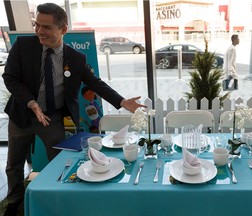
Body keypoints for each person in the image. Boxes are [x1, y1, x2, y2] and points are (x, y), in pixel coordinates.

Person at [2, 3, 146, 215]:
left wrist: (122, 101)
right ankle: (14, 199)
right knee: (14, 163)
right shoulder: (23, 46)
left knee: (60, 162)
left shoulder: (76, 59)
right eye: (37, 25)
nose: (40, 31)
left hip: (52, 119)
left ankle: (58, 195)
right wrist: (31, 103)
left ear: (63, 29)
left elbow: (95, 83)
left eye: (47, 27)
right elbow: (10, 78)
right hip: (22, 115)